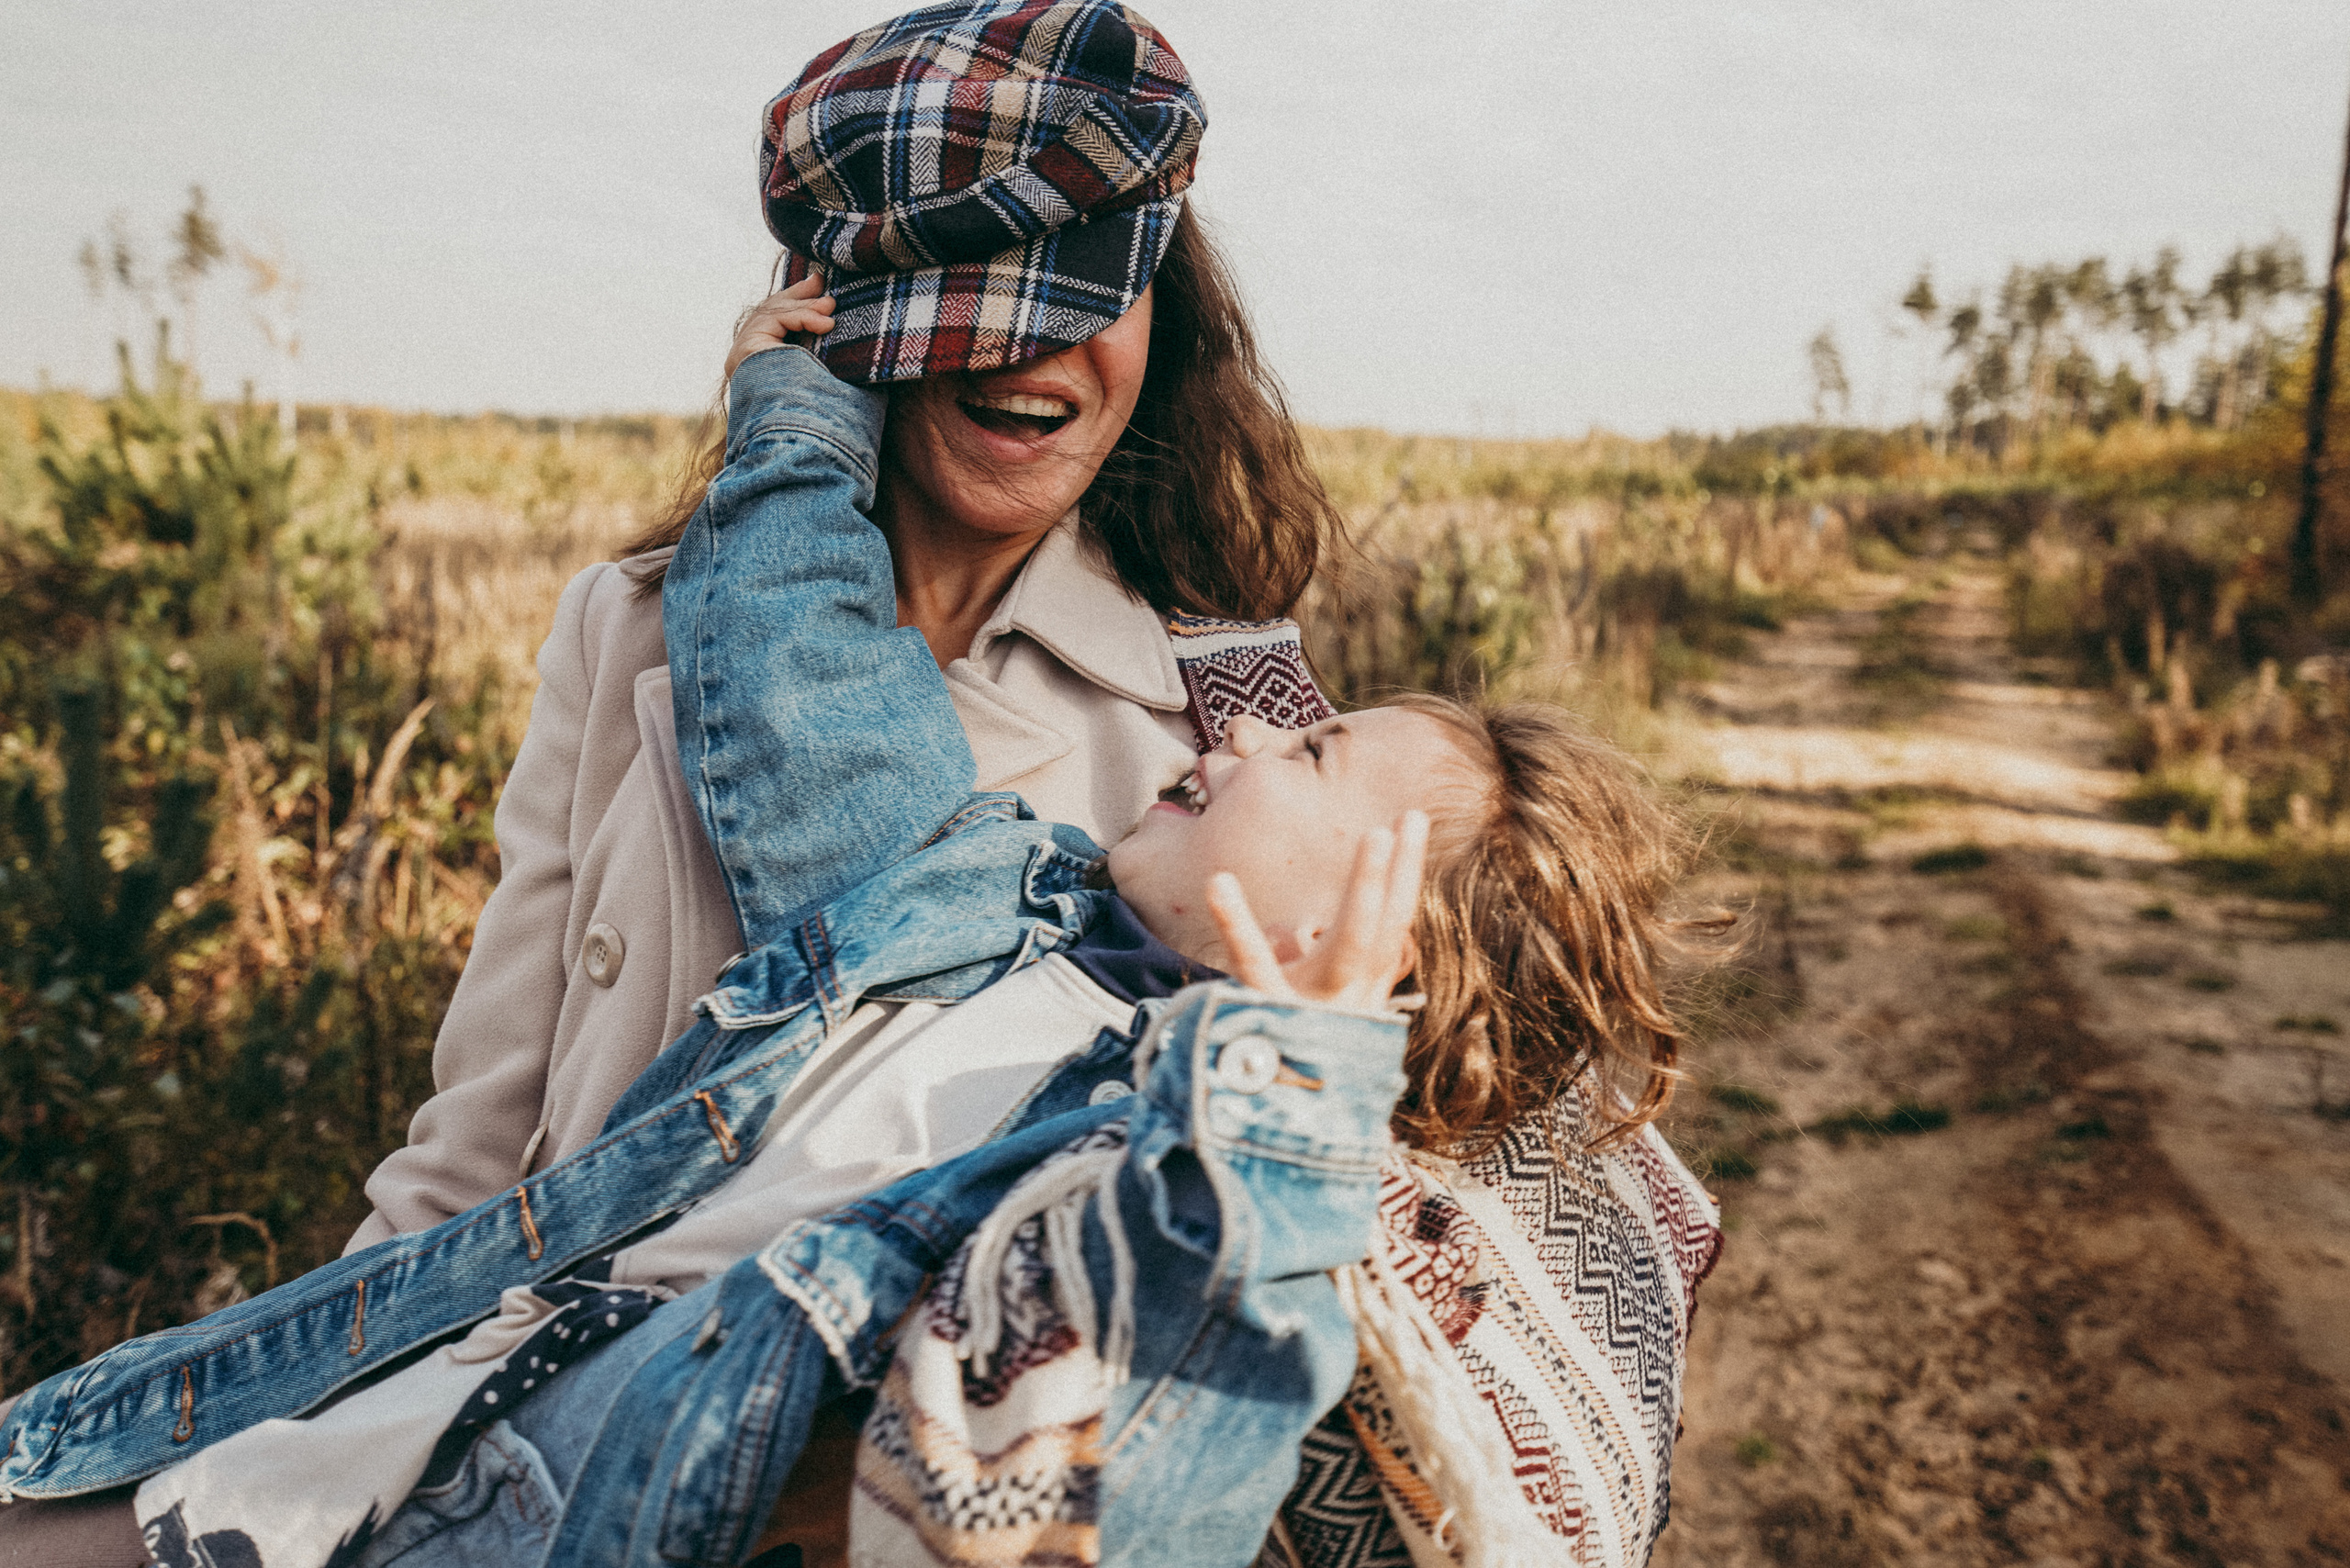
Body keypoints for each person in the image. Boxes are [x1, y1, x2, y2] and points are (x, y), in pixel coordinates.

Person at [341, 0, 1343, 1256]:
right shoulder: (631, 629)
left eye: (1088, 287)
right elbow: (476, 1147)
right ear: (833, 318)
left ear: (1163, 308)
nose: (1035, 354)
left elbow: (1286, 1179)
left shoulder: (1241, 725)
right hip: (524, 1390)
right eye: (972, 305)